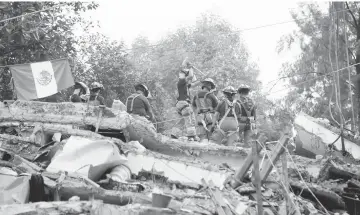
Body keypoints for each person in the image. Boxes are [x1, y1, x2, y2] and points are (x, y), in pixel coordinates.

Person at [175, 61, 201, 141]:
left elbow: (195, 84)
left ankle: (175, 134)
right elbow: (190, 76)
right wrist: (190, 68)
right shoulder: (181, 82)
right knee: (190, 120)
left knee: (187, 120)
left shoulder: (184, 85)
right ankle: (191, 137)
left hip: (183, 104)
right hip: (184, 103)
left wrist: (204, 79)